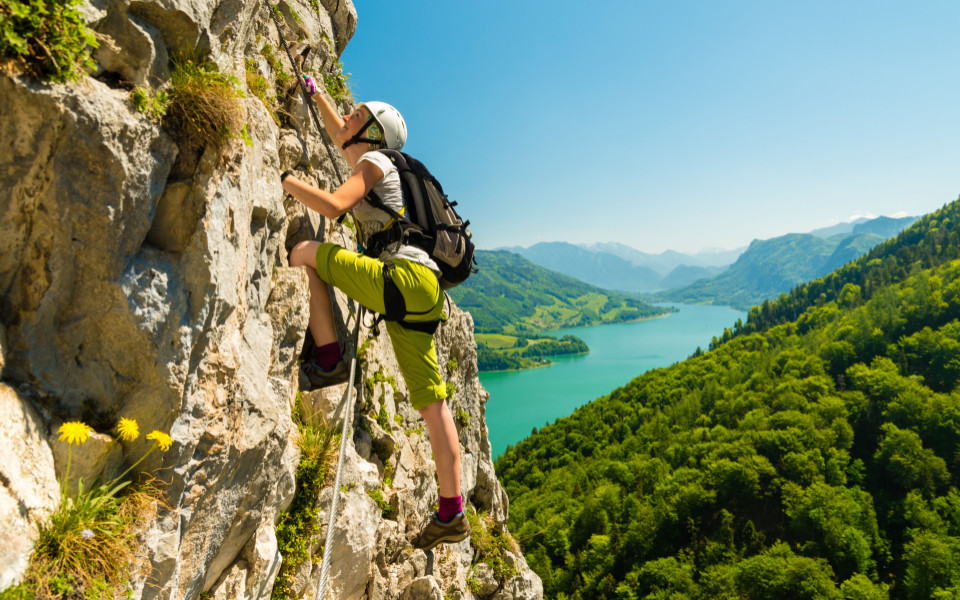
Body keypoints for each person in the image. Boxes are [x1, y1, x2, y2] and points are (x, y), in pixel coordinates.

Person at [281, 75, 470, 550]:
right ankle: (452, 512)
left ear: (373, 134)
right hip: (425, 290)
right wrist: (315, 91)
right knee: (433, 405)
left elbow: (330, 205)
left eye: (358, 115)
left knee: (305, 251)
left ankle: (329, 360)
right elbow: (340, 132)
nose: (348, 117)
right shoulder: (389, 163)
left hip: (399, 280)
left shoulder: (373, 162)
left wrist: (282, 180)